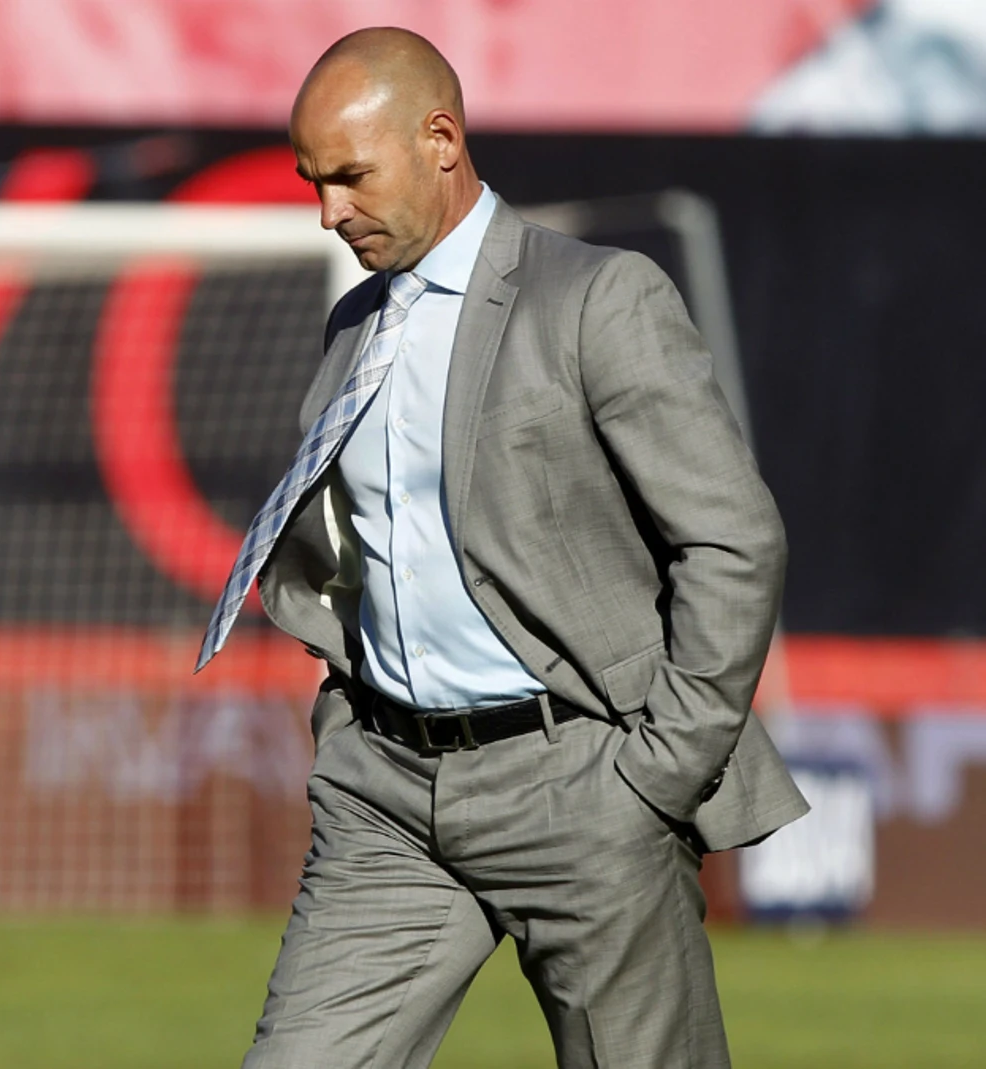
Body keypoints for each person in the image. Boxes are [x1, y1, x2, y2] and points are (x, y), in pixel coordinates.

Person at [195, 28, 809, 1069]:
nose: (326, 211)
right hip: (383, 797)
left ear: (440, 138)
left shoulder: (594, 298)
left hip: (583, 784)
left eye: (349, 176)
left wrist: (654, 776)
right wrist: (351, 721)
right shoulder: (354, 320)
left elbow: (731, 538)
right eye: (312, 181)